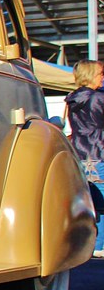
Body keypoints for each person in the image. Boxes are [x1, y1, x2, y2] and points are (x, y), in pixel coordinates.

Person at [65, 59, 104, 257]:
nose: (102, 77)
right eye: (100, 74)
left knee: (90, 201)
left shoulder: (72, 98)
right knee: (102, 201)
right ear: (90, 75)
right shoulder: (97, 99)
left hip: (80, 152)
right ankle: (99, 246)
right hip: (99, 152)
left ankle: (92, 244)